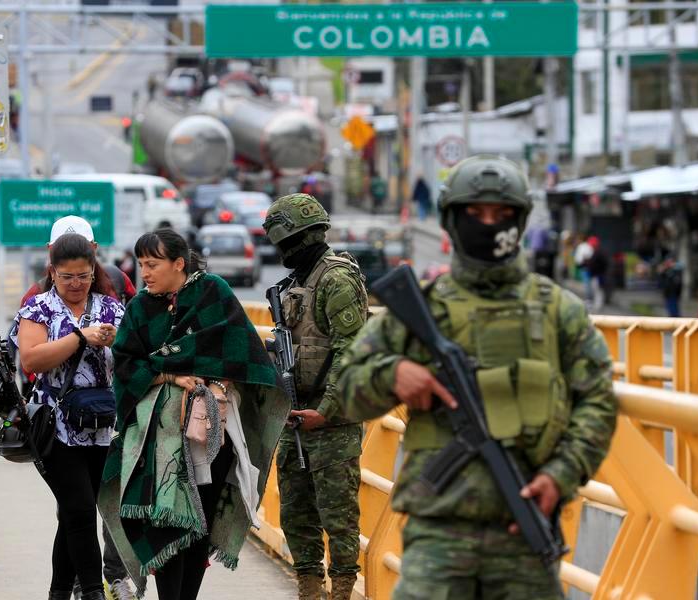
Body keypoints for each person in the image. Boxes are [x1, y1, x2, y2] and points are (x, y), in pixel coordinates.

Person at [337, 155, 618, 600]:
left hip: (524, 530)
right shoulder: (421, 309)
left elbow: (598, 403)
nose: (488, 224)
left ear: (519, 221)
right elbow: (347, 390)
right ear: (452, 220)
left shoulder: (556, 310)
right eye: (475, 213)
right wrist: (392, 373)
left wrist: (560, 475)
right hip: (437, 532)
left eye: (501, 214)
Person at [99, 228, 287, 600]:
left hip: (212, 434)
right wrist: (168, 374)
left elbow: (242, 352)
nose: (145, 273)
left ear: (178, 263)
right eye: (141, 264)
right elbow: (125, 364)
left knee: (199, 526)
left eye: (152, 265)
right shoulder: (140, 308)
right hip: (157, 441)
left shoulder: (213, 292)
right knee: (166, 523)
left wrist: (210, 380)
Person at [17, 216, 135, 600]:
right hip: (56, 427)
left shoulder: (111, 308)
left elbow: (135, 359)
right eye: (67, 276)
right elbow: (32, 359)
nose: (75, 283)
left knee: (72, 514)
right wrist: (81, 337)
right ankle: (92, 591)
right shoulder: (39, 308)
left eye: (83, 276)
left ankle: (58, 592)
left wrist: (116, 342)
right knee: (81, 510)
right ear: (52, 271)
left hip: (102, 426)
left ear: (93, 271)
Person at [262, 194, 369, 600]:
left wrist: (325, 411)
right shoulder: (296, 283)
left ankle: (341, 591)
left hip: (331, 420)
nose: (282, 252)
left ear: (304, 238)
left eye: (286, 243)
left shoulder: (336, 280)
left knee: (339, 518)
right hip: (297, 415)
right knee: (296, 514)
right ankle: (309, 590)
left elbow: (351, 352)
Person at [20, 216, 136, 307]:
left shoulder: (117, 279)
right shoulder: (35, 299)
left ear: (94, 248)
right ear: (50, 250)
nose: (75, 283)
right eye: (62, 248)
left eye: (81, 246)